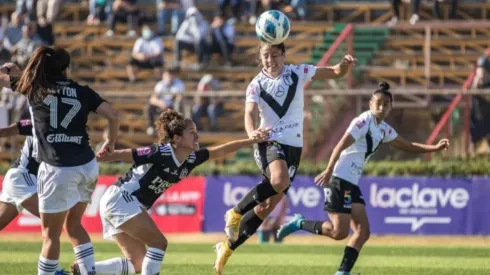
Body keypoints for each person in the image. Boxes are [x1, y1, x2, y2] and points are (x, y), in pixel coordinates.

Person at [276, 82, 450, 275]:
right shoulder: (362, 122)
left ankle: (343, 272)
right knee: (338, 232)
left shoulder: (383, 128)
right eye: (378, 103)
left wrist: (434, 148)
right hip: (339, 179)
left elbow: (407, 145)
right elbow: (340, 145)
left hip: (350, 184)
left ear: (390, 107)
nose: (382, 107)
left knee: (363, 231)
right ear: (370, 104)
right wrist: (328, 169)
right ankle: (299, 223)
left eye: (386, 104)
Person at [213, 41, 356, 274]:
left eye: (275, 55)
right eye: (266, 56)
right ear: (261, 58)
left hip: (294, 148)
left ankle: (226, 248)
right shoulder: (256, 84)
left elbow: (334, 72)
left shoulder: (297, 72)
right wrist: (251, 133)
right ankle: (235, 212)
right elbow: (249, 113)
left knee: (266, 207)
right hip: (268, 142)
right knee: (279, 181)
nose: (271, 60)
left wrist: (344, 65)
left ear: (284, 55)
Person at [71, 109, 270, 275]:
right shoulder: (161, 152)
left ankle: (86, 270)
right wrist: (102, 156)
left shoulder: (191, 158)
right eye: (191, 132)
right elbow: (127, 155)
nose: (197, 136)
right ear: (176, 138)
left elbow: (221, 150)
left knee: (137, 263)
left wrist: (251, 140)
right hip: (121, 198)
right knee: (159, 243)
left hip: (122, 202)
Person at [0, 46, 120, 275]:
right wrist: (110, 143)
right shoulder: (82, 91)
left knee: (51, 234)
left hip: (58, 168)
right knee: (74, 226)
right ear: (67, 69)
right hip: (87, 165)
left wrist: (8, 69)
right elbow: (113, 115)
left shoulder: (35, 88)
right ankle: (88, 271)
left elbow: (5, 80)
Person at [0, 120, 69, 275]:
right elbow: (5, 131)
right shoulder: (38, 120)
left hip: (21, 179)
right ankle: (52, 271)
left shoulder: (64, 128)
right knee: (53, 224)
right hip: (22, 177)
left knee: (53, 224)